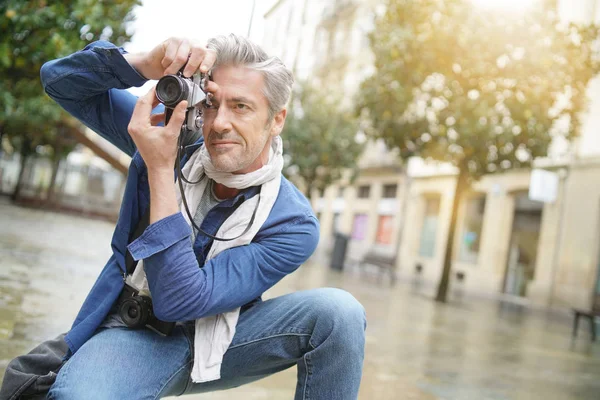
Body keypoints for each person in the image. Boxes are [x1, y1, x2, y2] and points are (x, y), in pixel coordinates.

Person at [0, 35, 366, 400]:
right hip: (135, 328)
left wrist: (160, 170)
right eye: (211, 104)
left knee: (340, 314)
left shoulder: (293, 222)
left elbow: (182, 300)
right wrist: (143, 64)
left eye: (241, 106)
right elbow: (60, 83)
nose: (219, 123)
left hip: (226, 342)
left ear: (276, 120)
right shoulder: (171, 138)